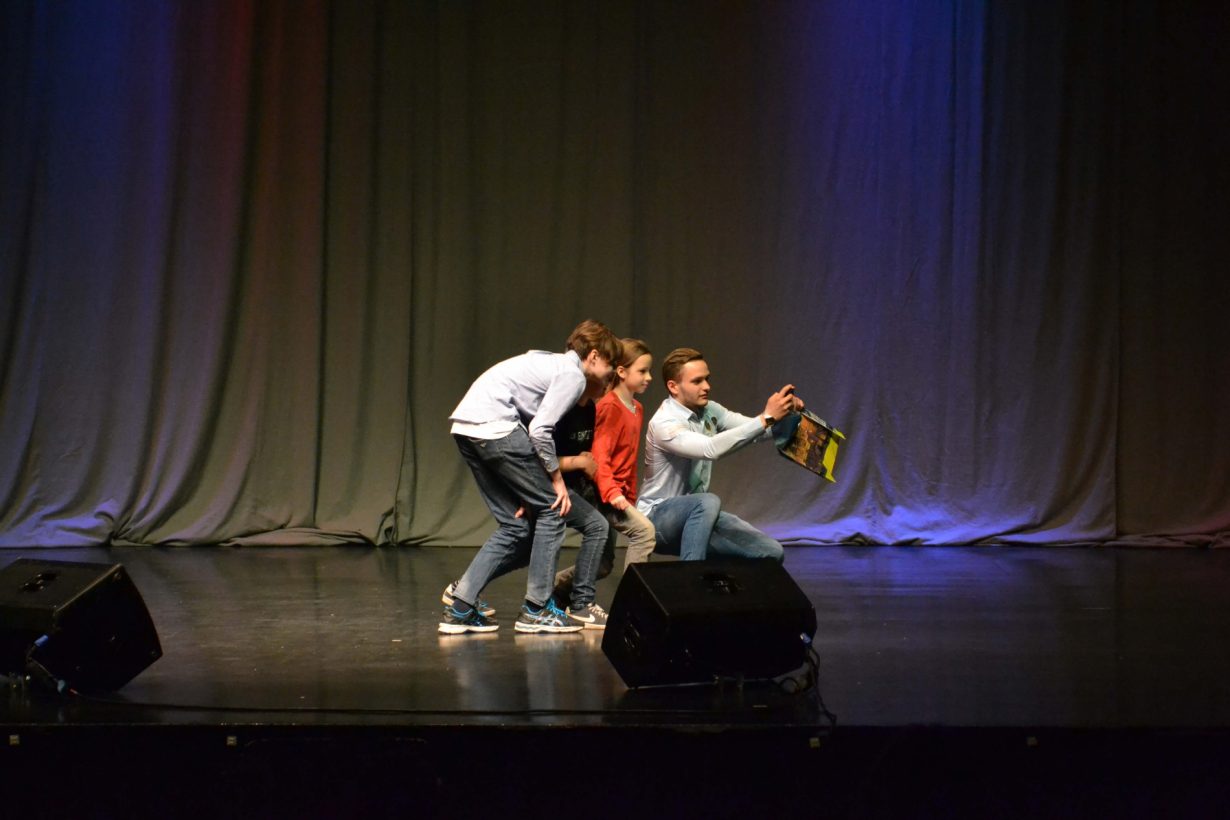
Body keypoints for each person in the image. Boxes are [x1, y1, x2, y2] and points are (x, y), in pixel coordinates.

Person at [439, 320, 620, 635]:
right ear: (593, 356)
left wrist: (528, 485)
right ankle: (536, 611)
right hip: (497, 427)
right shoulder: (572, 375)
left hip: (467, 429)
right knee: (554, 509)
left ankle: (460, 607)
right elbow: (540, 430)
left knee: (516, 526)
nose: (612, 372)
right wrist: (556, 481)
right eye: (610, 363)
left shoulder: (549, 364)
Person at [637, 347, 804, 562]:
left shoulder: (710, 410)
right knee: (706, 501)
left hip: (699, 518)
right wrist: (766, 418)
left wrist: (788, 414)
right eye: (697, 381)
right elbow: (710, 449)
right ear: (673, 386)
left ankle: (715, 581)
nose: (707, 386)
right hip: (657, 520)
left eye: (706, 379)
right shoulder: (664, 423)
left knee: (770, 552)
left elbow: (758, 431)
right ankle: (690, 578)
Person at [591, 338, 657, 569]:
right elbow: (600, 456)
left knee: (602, 565)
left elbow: (629, 458)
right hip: (603, 494)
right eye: (642, 371)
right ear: (621, 371)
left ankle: (555, 587)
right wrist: (612, 492)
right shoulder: (610, 406)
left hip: (619, 493)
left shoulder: (637, 408)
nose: (649, 377)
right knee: (644, 532)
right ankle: (635, 591)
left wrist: (630, 495)